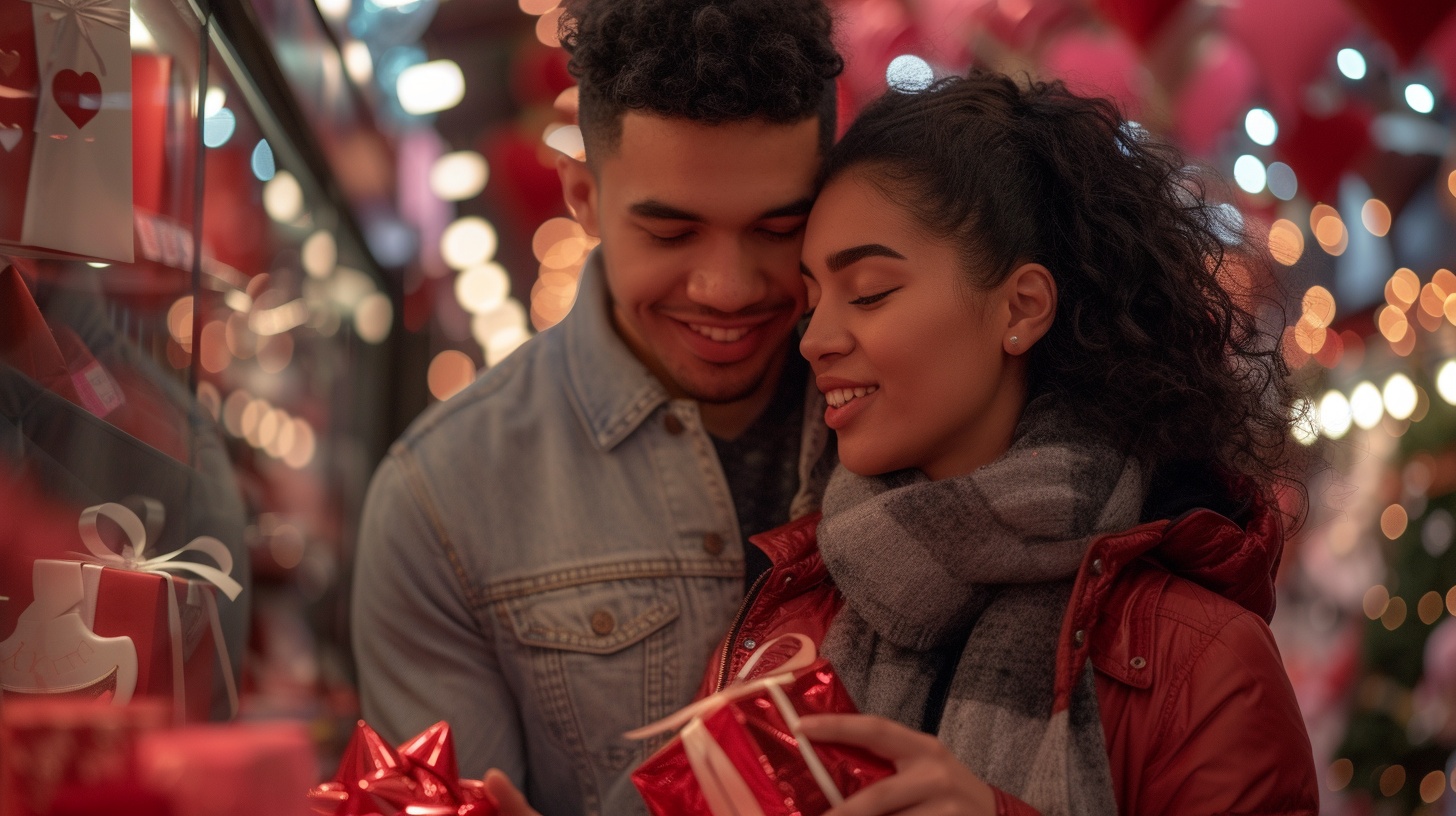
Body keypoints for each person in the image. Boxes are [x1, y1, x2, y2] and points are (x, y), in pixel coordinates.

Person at [692, 71, 1320, 815]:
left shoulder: (1206, 666)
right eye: (812, 301)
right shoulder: (790, 621)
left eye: (867, 292)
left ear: (1021, 308)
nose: (817, 341)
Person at [350, 1, 842, 814]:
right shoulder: (443, 496)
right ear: (583, 195)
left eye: (777, 229)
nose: (727, 288)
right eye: (672, 234)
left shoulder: (909, 421)